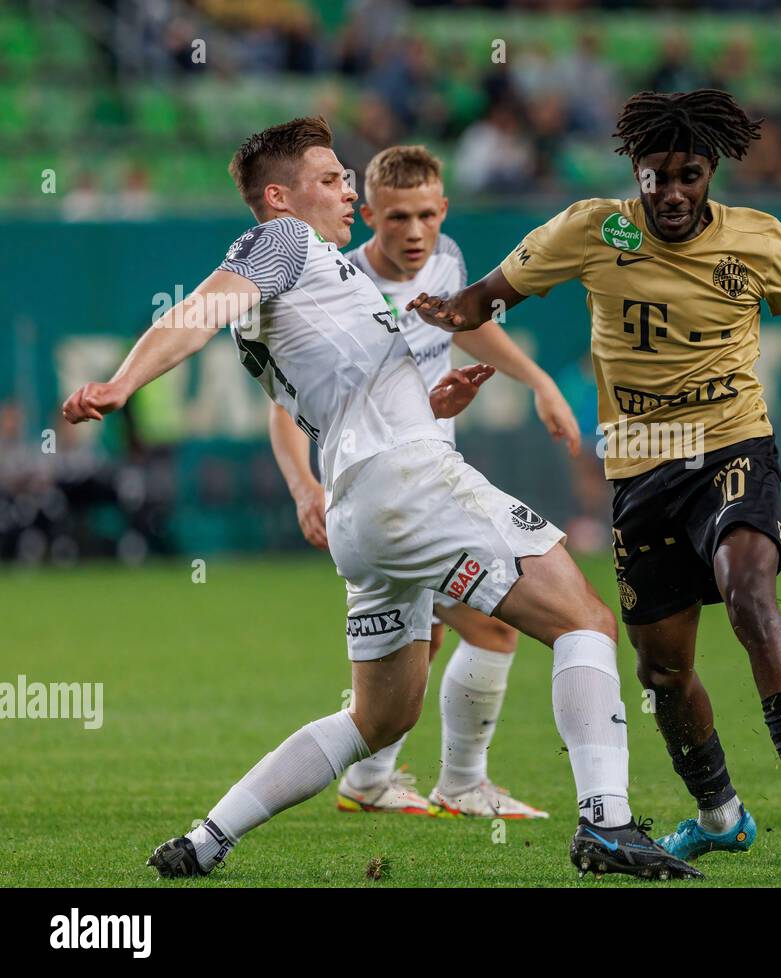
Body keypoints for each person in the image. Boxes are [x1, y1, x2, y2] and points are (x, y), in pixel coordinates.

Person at [62, 116, 700, 881]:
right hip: (407, 482)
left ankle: (207, 838)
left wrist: (433, 400)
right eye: (331, 179)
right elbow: (198, 313)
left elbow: (337, 391)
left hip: (364, 507)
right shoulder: (283, 242)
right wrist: (122, 383)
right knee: (586, 621)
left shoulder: (321, 275)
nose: (346, 193)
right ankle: (608, 824)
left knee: (380, 716)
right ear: (279, 196)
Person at [407, 90, 781, 875]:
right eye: (656, 176)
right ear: (637, 173)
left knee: (751, 594)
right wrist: (441, 311)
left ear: (712, 174)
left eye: (689, 176)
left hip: (733, 445)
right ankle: (719, 814)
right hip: (639, 471)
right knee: (663, 672)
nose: (672, 193)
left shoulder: (759, 241)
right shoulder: (590, 230)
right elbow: (484, 298)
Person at [268, 144, 580, 820]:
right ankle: (459, 783)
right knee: (493, 631)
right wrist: (303, 487)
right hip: (386, 496)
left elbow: (465, 326)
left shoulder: (446, 262)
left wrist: (540, 382)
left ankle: (369, 780)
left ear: (444, 211)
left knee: (425, 645)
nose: (414, 234)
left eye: (428, 216)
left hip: (435, 479)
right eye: (398, 218)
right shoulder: (333, 284)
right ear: (368, 213)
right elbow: (282, 406)